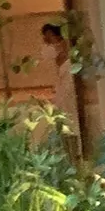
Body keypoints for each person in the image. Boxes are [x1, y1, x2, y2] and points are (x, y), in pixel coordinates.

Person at [40, 22, 81, 157]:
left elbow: (69, 93)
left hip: (70, 107)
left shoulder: (71, 64)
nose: (47, 44)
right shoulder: (59, 63)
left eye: (49, 39)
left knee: (71, 130)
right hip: (63, 106)